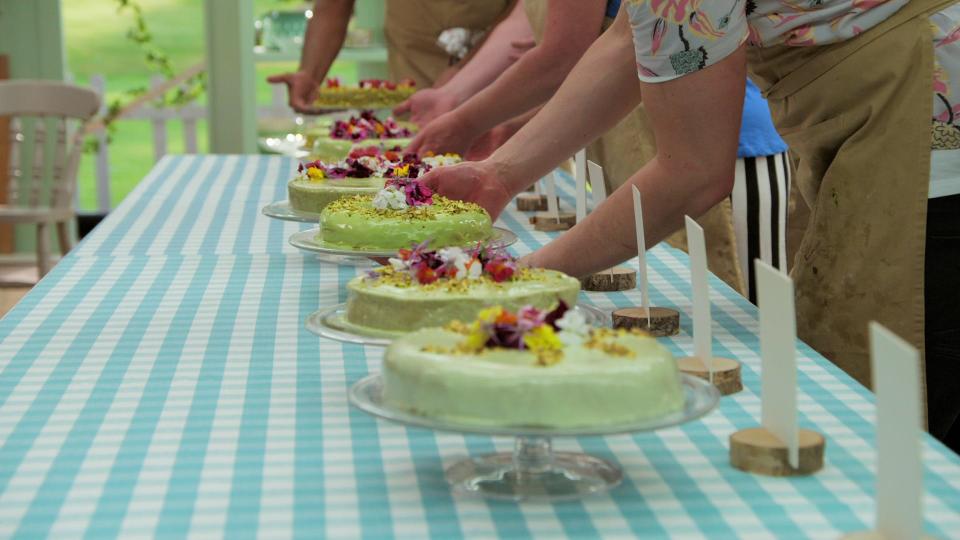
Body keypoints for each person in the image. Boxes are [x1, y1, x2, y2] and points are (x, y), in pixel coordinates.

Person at [421, 1, 960, 451]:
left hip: (923, 122)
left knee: (904, 426)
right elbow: (628, 39)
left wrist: (530, 272)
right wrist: (500, 174)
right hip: (888, 106)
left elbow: (693, 172)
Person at [268, 0, 512, 113]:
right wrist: (310, 74)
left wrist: (464, 73)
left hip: (502, 80)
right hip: (414, 79)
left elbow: (522, 15)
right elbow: (334, 6)